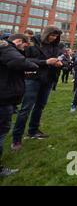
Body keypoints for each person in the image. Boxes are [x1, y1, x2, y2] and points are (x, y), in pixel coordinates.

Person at [11, 26, 64, 151]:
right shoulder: (32, 43)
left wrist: (60, 63)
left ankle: (33, 130)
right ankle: (16, 138)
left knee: (40, 106)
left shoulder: (56, 46)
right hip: (33, 79)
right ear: (46, 34)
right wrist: (45, 62)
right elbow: (24, 60)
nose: (54, 38)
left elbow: (64, 58)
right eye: (52, 35)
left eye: (56, 36)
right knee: (26, 108)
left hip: (48, 79)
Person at [0, 34, 39, 176]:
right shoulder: (7, 48)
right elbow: (19, 62)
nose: (24, 49)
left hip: (5, 95)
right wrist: (33, 66)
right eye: (24, 46)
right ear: (18, 41)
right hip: (3, 98)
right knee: (2, 131)